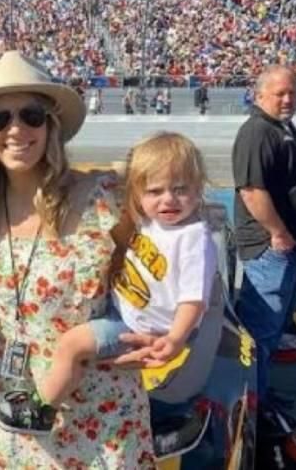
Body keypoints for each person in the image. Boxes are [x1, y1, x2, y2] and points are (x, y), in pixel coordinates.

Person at [0, 51, 156, 469]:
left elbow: (163, 272)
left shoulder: (102, 198)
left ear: (51, 125)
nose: (15, 130)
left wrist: (161, 336)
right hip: (22, 413)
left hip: (104, 415)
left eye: (31, 116)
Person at [33, 132, 218, 425]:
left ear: (198, 189)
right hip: (124, 308)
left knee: (70, 345)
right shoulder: (152, 222)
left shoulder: (193, 238)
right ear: (138, 195)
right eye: (155, 191)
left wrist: (175, 338)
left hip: (138, 327)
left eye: (180, 189)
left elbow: (193, 300)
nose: (168, 199)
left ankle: (39, 410)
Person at [232, 65, 296, 408]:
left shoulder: (285, 129)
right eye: (280, 93)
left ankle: (262, 396)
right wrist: (277, 233)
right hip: (271, 249)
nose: (287, 99)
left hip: (293, 246)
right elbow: (252, 191)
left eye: (292, 92)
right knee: (260, 333)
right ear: (259, 94)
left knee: (275, 329)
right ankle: (251, 409)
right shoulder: (258, 132)